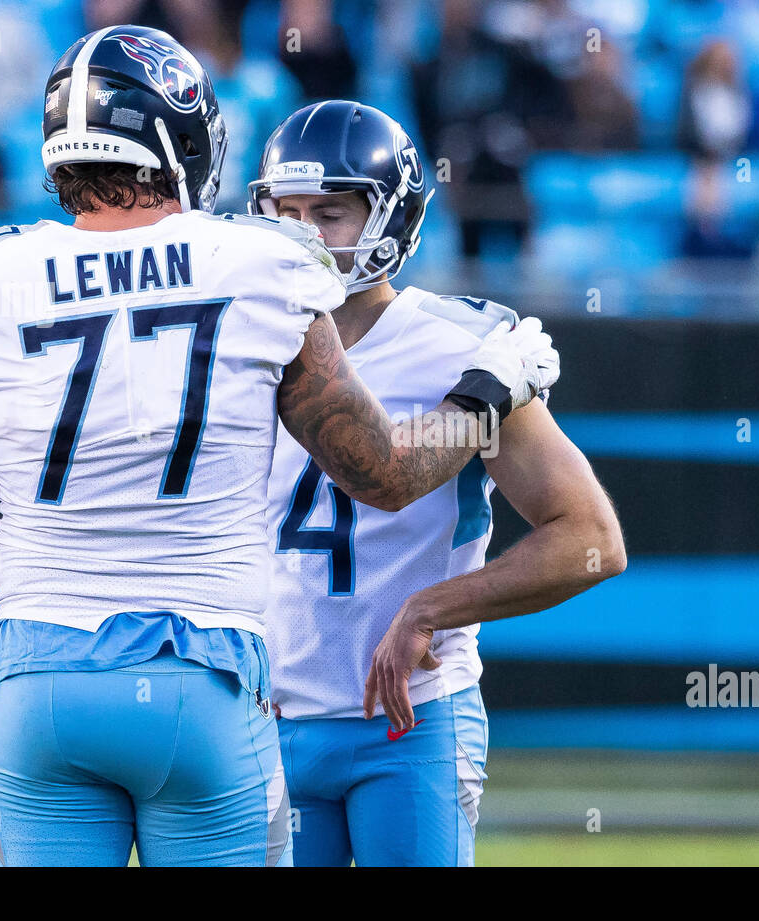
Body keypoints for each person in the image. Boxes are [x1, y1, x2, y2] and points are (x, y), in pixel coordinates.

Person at [0, 27, 559, 867]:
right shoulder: (260, 265)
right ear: (184, 139)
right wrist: (492, 389)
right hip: (201, 680)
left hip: (37, 684)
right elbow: (387, 475)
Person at [250, 100, 626, 866]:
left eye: (329, 212)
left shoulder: (462, 347)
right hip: (264, 720)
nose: (303, 235)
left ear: (391, 219)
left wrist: (433, 607)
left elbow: (588, 539)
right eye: (285, 213)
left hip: (410, 719)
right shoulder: (240, 334)